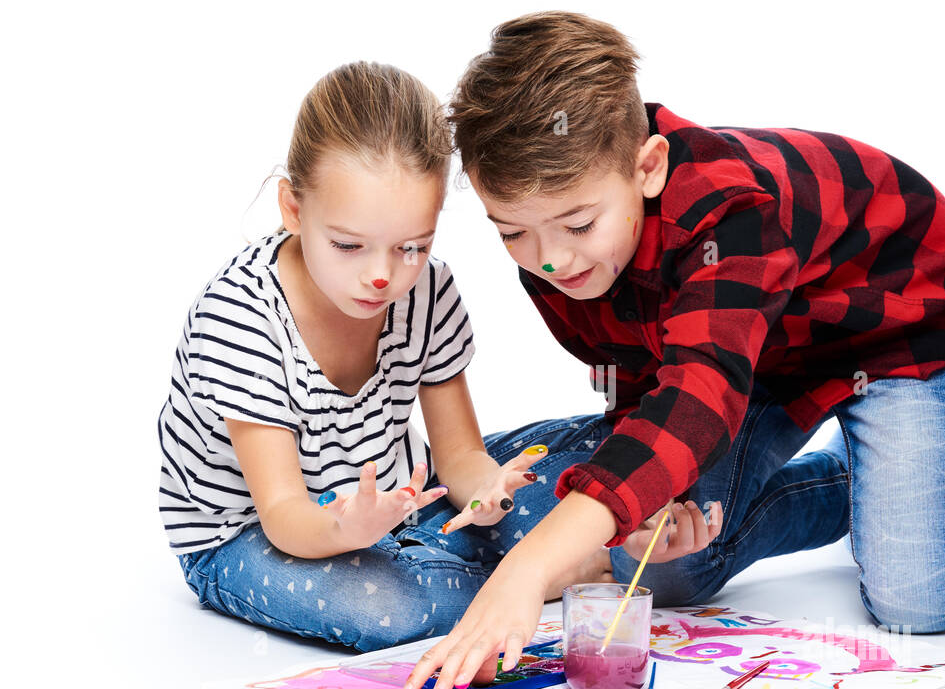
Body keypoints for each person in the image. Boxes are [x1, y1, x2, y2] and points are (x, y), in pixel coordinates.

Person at [405, 12, 945, 689]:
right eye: (512, 231)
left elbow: (699, 395)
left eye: (579, 223)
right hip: (755, 357)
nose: (551, 259)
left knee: (919, 605)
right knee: (667, 568)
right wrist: (653, 505)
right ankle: (854, 491)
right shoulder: (557, 252)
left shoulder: (731, 214)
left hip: (902, 331)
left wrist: (528, 570)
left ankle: (897, 474)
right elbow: (645, 376)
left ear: (649, 167)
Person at [157, 61, 610, 654]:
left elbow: (459, 456)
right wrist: (346, 528)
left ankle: (503, 565)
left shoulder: (426, 290)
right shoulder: (241, 319)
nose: (381, 276)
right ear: (293, 209)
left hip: (396, 505)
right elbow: (284, 514)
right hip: (255, 536)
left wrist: (488, 490)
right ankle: (542, 576)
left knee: (605, 474)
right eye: (348, 245)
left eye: (412, 247)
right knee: (388, 610)